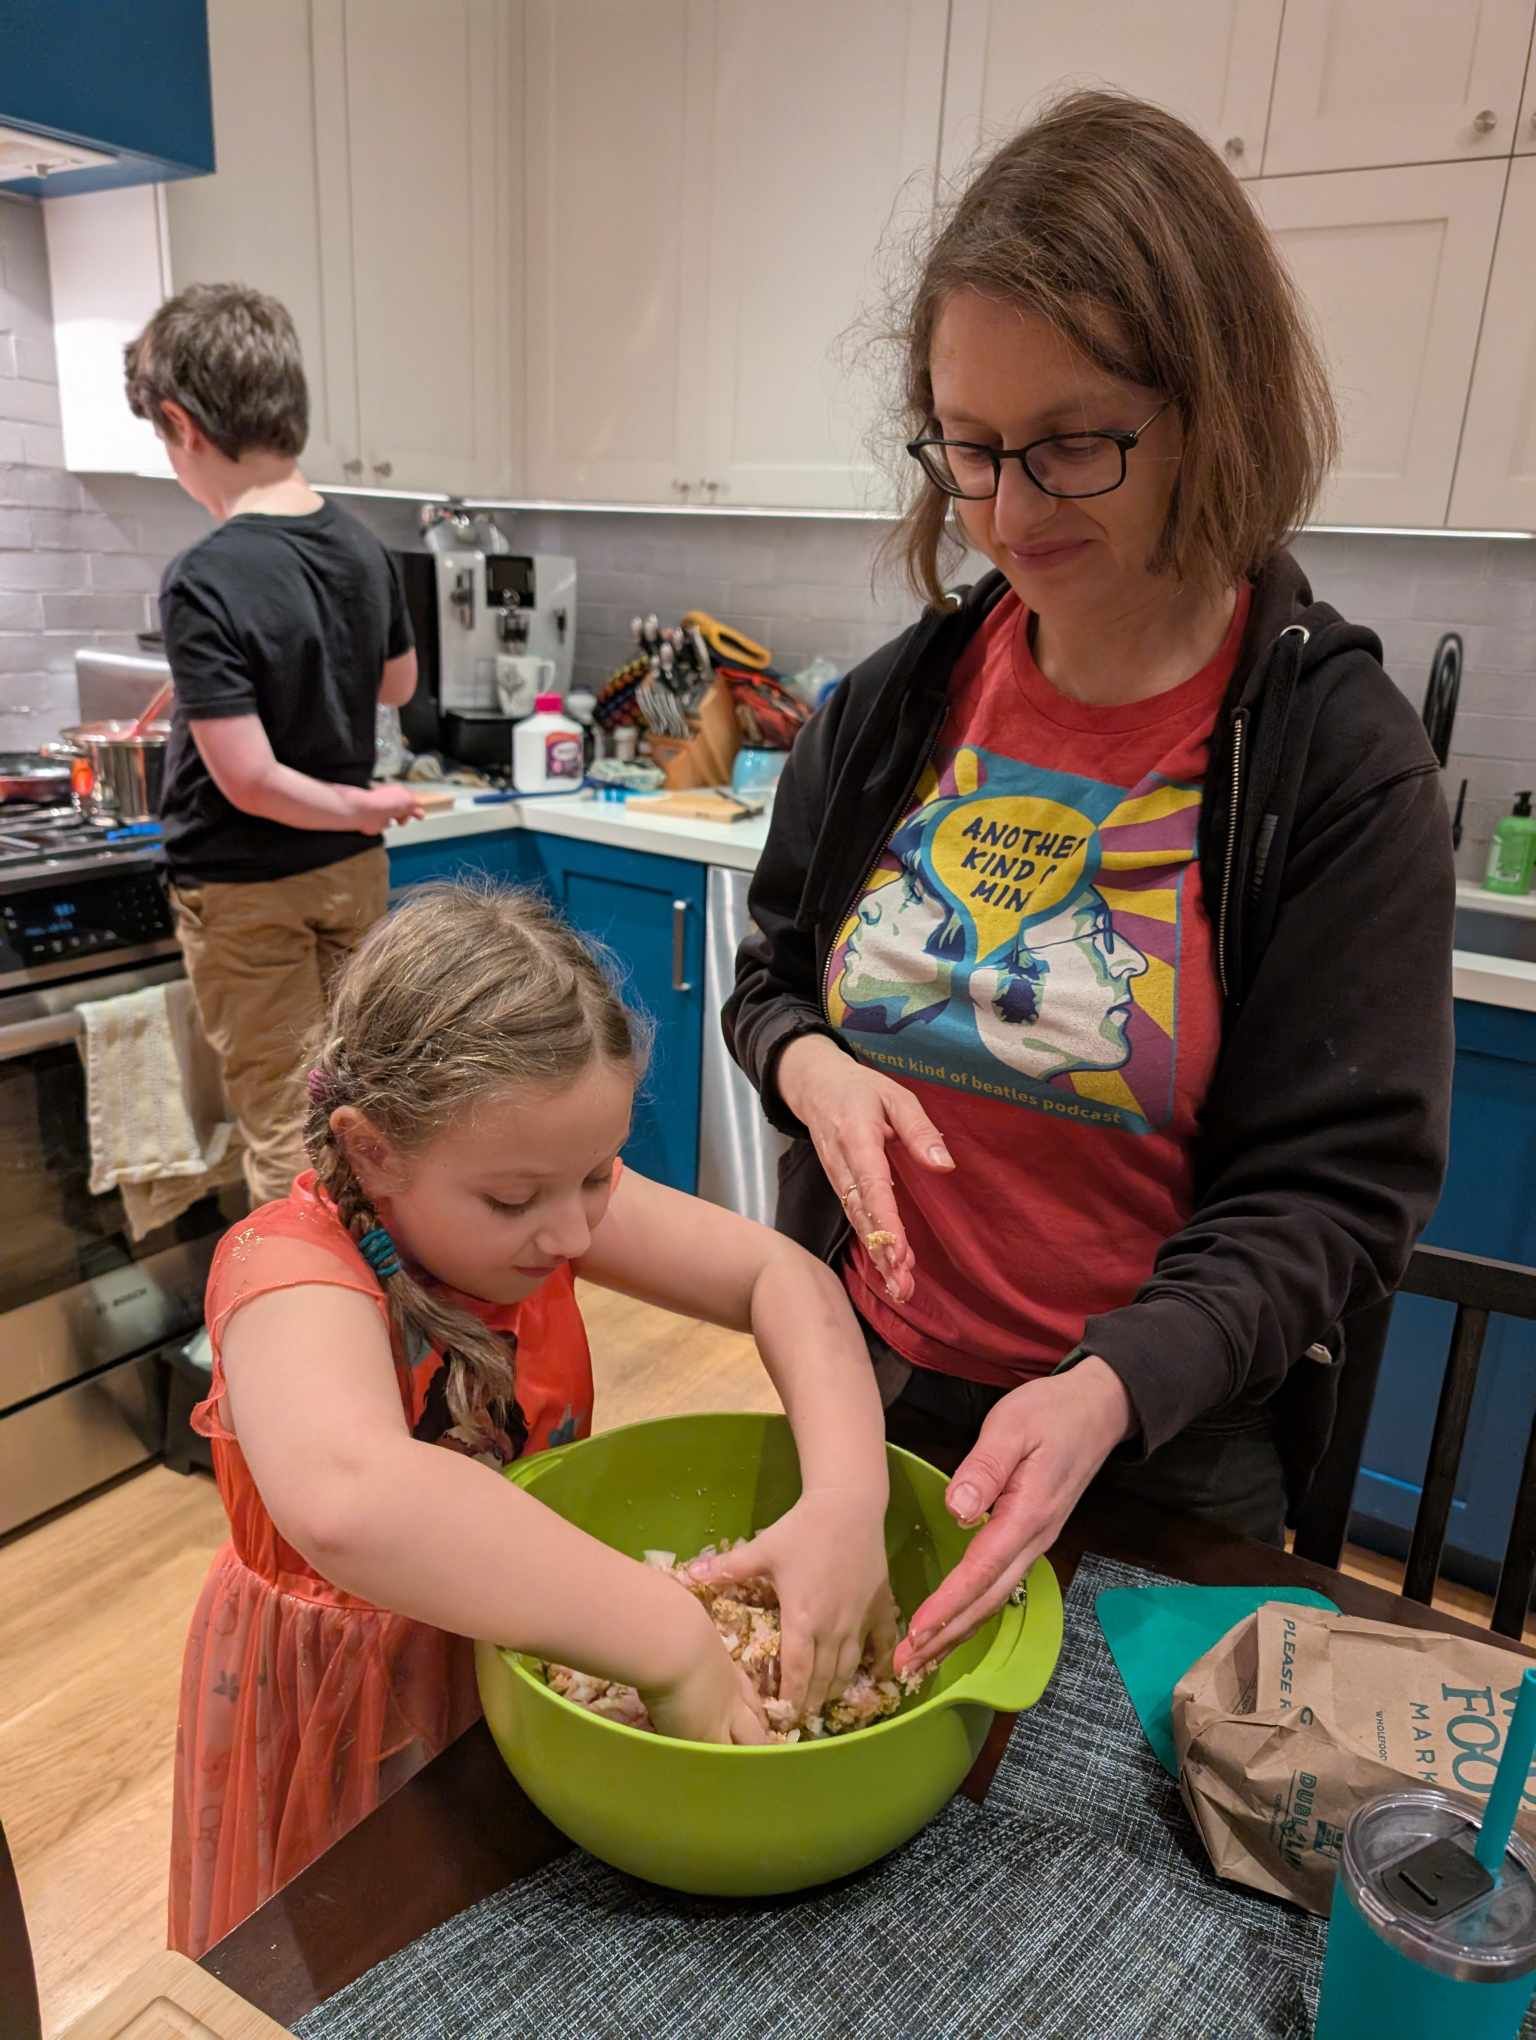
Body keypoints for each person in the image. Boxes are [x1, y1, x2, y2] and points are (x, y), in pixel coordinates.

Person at [724, 90, 1453, 1685]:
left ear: (1214, 409)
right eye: (970, 446)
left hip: (1157, 1459)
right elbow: (768, 975)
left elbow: (1336, 1198)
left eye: (1071, 444)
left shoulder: (1333, 764)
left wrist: (1115, 1384)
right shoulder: (896, 709)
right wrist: (810, 1060)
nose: (1006, 510)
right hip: (867, 1397)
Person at [169, 882, 894, 1957]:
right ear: (371, 1150)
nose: (568, 1233)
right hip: (352, 1702)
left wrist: (845, 1500)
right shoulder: (286, 1274)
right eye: (516, 1202)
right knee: (371, 1956)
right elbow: (356, 1501)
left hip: (531, 1637)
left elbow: (783, 1280)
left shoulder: (544, 1188)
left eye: (597, 1175)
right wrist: (664, 1635)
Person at [123, 282, 424, 1208]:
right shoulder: (363, 547)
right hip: (349, 874)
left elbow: (250, 781)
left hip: (248, 888)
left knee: (283, 1130)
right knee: (365, 1112)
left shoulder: (205, 574)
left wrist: (354, 799)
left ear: (183, 426)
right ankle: (381, 1321)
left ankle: (291, 1339)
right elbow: (395, 684)